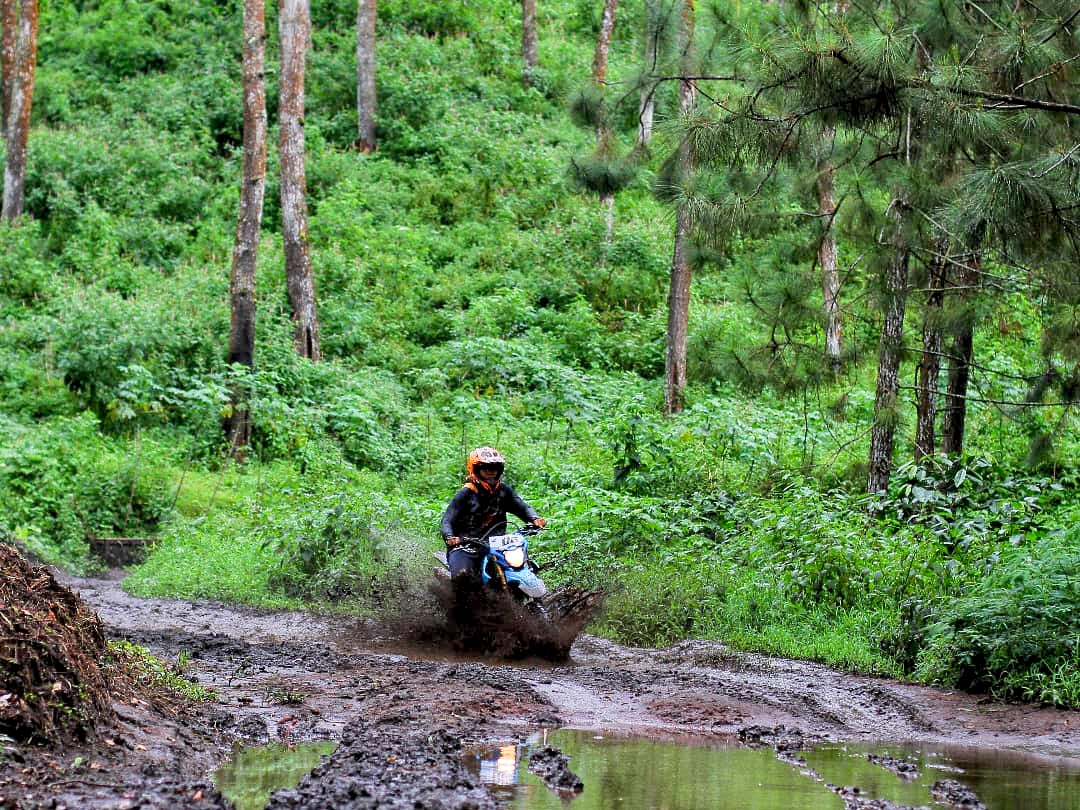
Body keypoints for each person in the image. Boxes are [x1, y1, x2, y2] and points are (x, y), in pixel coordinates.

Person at [440, 446, 546, 581]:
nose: (491, 471)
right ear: (476, 469)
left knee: (525, 566)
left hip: (497, 544)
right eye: (486, 468)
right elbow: (447, 520)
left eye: (495, 468)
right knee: (463, 576)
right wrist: (450, 537)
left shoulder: (503, 491)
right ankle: (458, 601)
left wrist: (534, 518)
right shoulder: (465, 494)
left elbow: (521, 507)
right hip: (466, 546)